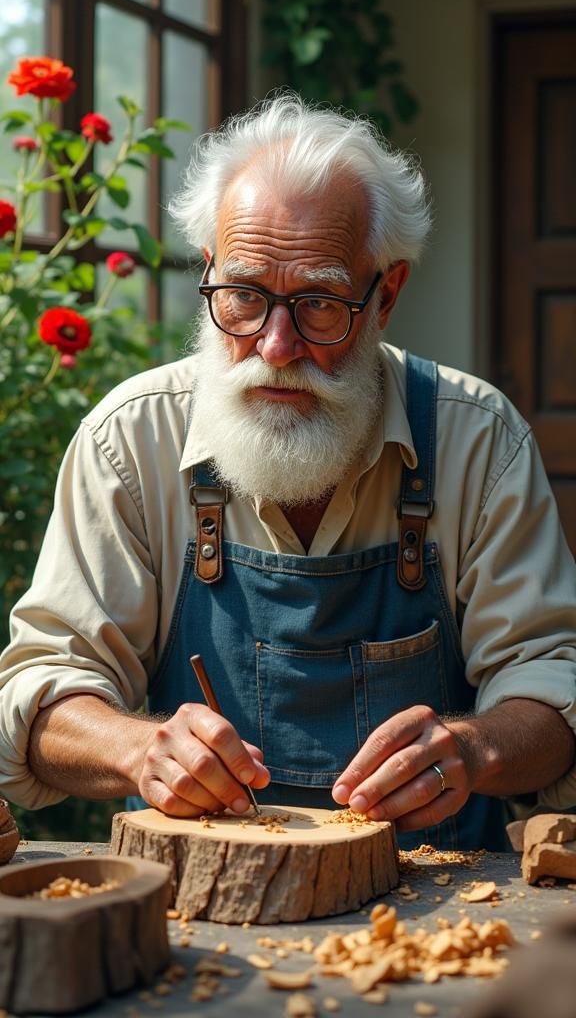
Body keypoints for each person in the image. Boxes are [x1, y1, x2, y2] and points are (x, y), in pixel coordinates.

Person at [0, 94, 575, 851]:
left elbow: (554, 684)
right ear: (209, 276)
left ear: (385, 296)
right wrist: (138, 749)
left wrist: (473, 749)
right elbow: (39, 693)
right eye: (242, 296)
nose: (275, 345)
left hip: (449, 900)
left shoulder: (478, 440)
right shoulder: (129, 439)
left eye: (318, 302)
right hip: (200, 912)